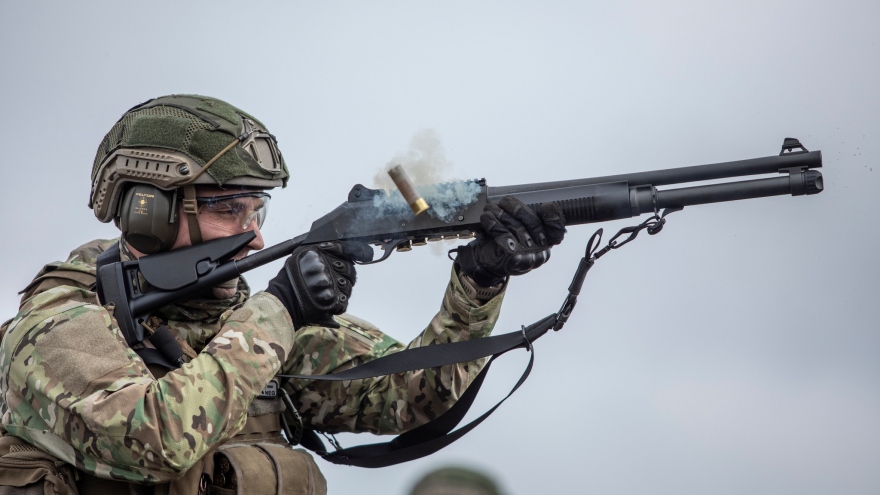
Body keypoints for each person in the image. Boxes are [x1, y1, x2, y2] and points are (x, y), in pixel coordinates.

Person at [0, 94, 564, 495]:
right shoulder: (57, 323)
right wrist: (281, 310)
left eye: (257, 210)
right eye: (229, 209)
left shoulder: (245, 319)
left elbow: (412, 398)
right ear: (149, 213)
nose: (256, 238)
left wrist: (477, 284)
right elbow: (153, 441)